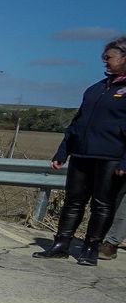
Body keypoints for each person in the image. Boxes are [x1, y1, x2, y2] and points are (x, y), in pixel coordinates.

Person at [34, 36, 126, 266]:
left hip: (110, 157)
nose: (105, 60)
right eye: (104, 57)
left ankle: (90, 248)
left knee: (101, 205)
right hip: (82, 154)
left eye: (109, 57)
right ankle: (61, 244)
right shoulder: (96, 88)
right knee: (73, 201)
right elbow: (77, 123)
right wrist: (63, 151)